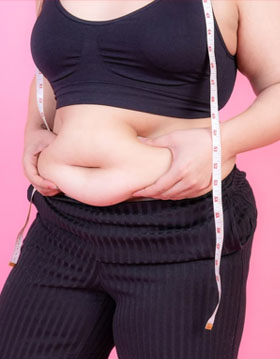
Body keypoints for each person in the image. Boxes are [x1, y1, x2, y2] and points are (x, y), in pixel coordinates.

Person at [0, 0, 279, 358]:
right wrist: (35, 127)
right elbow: (58, 70)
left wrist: (220, 142)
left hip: (182, 234)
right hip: (60, 226)